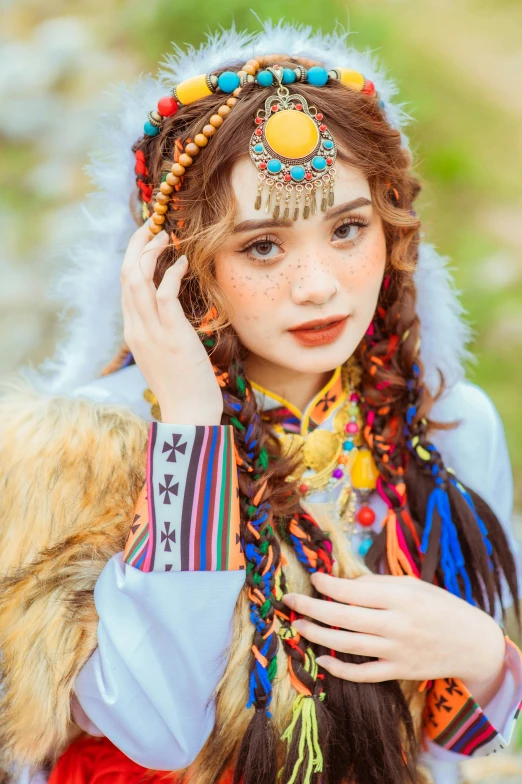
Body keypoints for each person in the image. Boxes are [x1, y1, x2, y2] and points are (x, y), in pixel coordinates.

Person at [0, 21, 520, 784]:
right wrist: (190, 432)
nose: (318, 285)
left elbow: (444, 753)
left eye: (348, 228)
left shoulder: (443, 428)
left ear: (395, 231)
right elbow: (161, 730)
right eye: (263, 246)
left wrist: (483, 656)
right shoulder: (83, 446)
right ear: (179, 264)